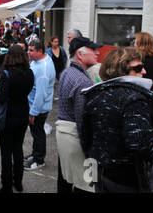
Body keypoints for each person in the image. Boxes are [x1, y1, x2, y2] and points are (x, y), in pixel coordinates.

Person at [80, 47, 153, 193]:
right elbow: (139, 141)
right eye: (138, 67)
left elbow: (85, 137)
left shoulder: (95, 93)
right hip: (126, 178)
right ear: (120, 69)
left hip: (99, 172)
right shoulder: (134, 97)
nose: (144, 71)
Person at [56, 37, 102, 193]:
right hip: (75, 137)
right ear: (80, 54)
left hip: (64, 135)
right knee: (89, 184)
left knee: (65, 179)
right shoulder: (82, 81)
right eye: (93, 50)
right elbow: (83, 121)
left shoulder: (68, 71)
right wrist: (92, 151)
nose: (98, 53)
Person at [0, 45, 34, 193]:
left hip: (8, 117)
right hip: (23, 114)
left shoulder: (7, 74)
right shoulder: (30, 73)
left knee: (6, 152)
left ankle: (7, 186)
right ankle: (18, 183)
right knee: (18, 149)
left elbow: (1, 96)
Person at [25, 40, 56, 170]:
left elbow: (40, 94)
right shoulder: (37, 61)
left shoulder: (43, 70)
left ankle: (39, 160)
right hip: (35, 107)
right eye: (28, 49)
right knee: (36, 133)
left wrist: (33, 112)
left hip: (38, 109)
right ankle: (35, 154)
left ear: (40, 51)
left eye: (31, 50)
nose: (28, 52)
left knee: (38, 134)